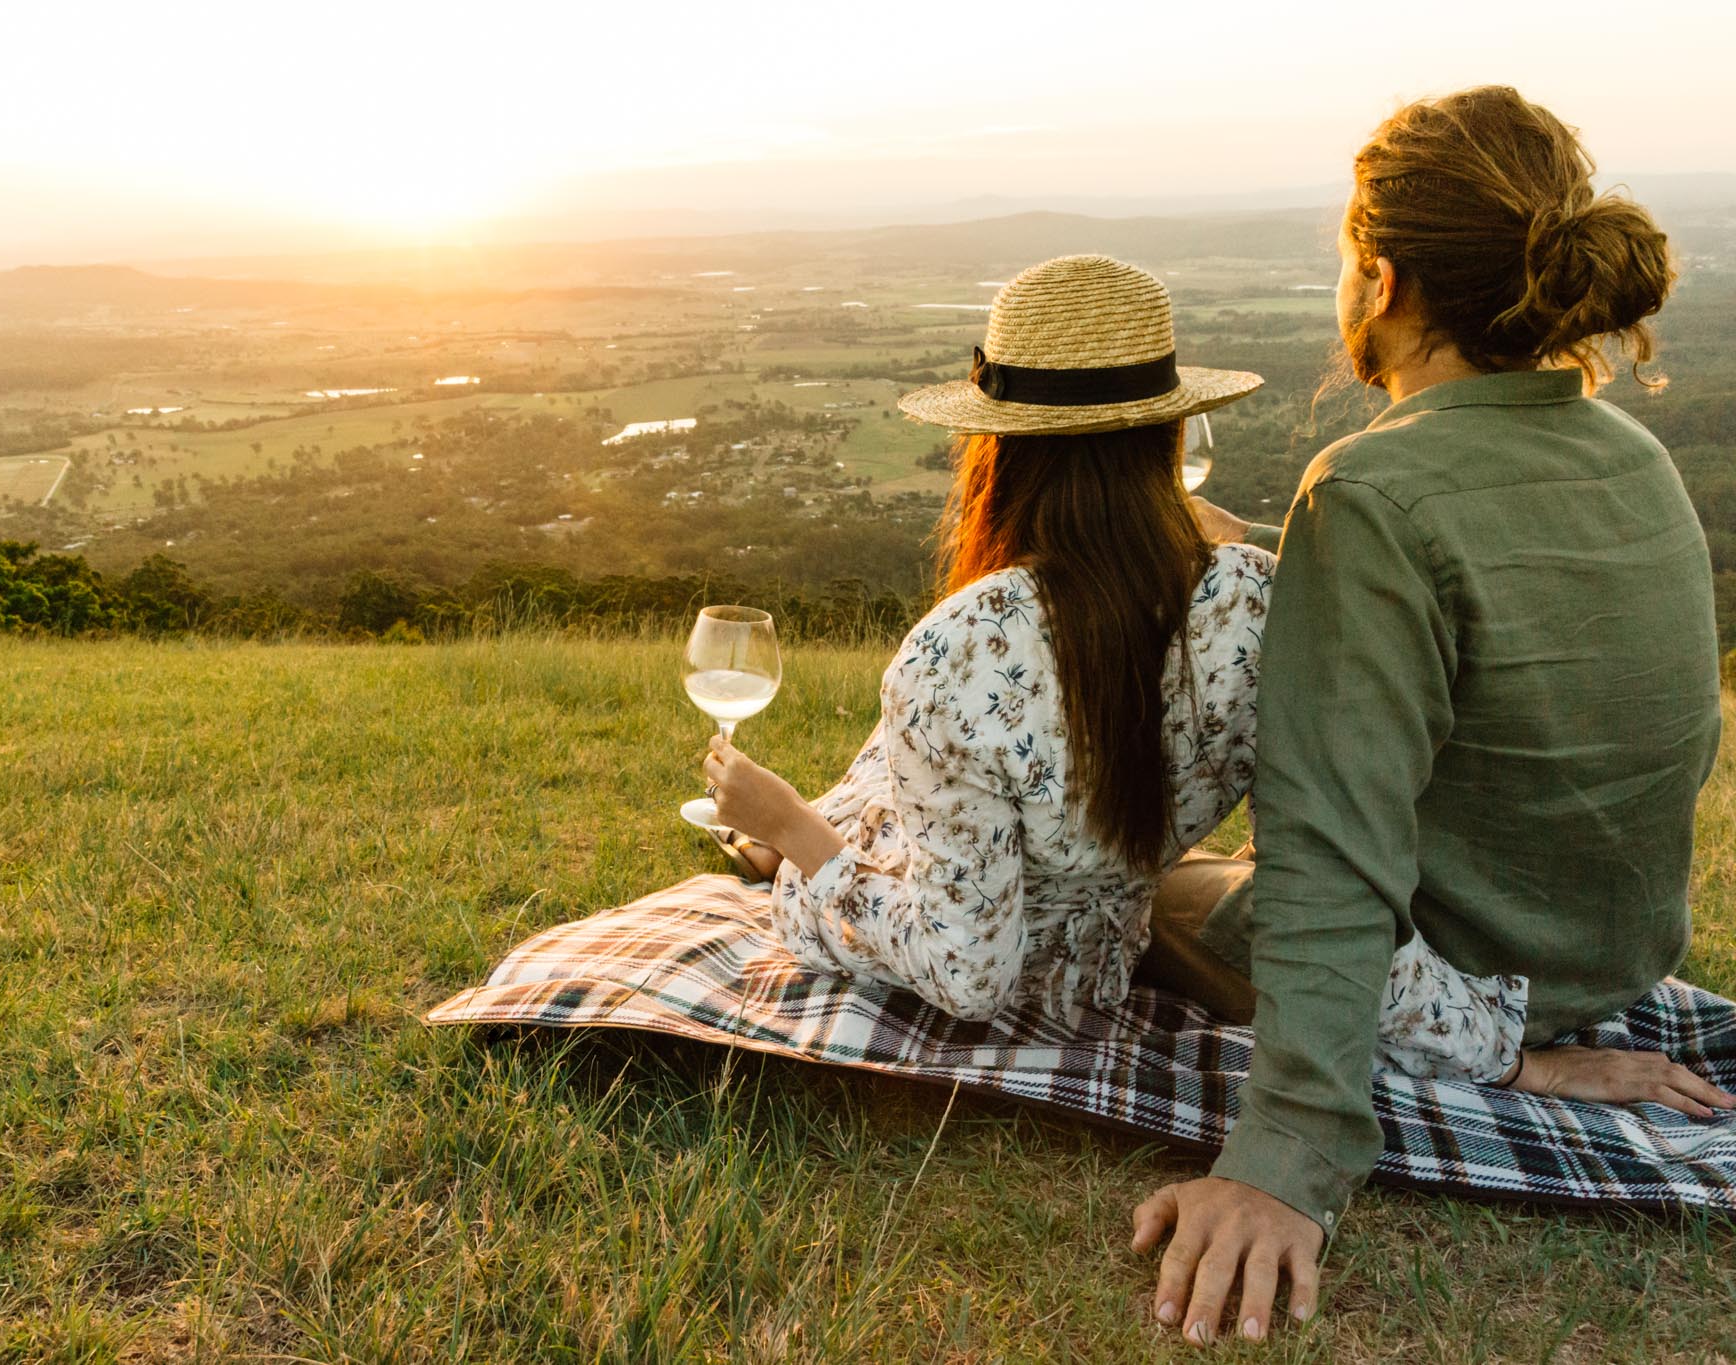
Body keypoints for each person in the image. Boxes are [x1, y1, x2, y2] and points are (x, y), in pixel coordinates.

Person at [1122, 85, 1734, 1348]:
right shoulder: (1633, 454)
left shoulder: (1371, 488)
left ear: (1380, 280)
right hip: (1604, 955)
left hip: (1479, 979)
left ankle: (1504, 1057)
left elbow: (1328, 851)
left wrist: (1283, 1150)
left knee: (1141, 890)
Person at [704, 255, 1546, 1130]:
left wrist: (796, 831)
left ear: (1002, 449)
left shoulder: (953, 654)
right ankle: (783, 828)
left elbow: (967, 974)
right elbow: (1324, 886)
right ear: (1166, 433)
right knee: (896, 768)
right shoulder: (1261, 602)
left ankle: (766, 838)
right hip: (1101, 953)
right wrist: (1510, 1056)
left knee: (852, 805)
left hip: (972, 930)